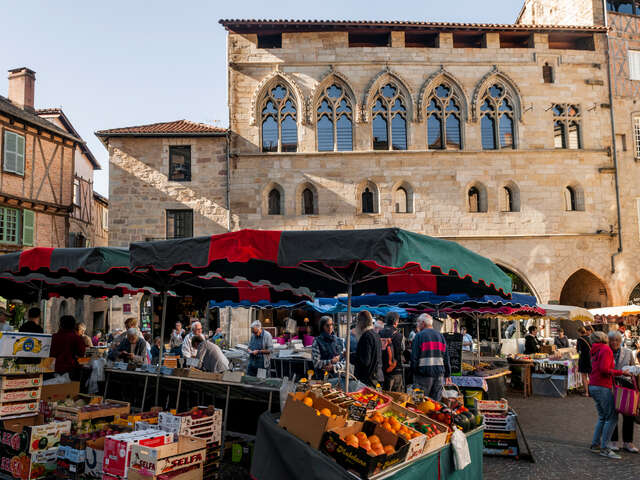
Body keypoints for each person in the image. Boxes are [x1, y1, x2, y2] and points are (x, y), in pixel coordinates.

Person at [588, 330, 629, 459]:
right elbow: (604, 369)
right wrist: (620, 372)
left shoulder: (595, 349)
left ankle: (595, 445)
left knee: (602, 417)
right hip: (602, 386)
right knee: (612, 417)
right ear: (604, 338)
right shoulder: (605, 349)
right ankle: (605, 448)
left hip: (593, 385)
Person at [608, 330, 638, 453]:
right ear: (608, 341)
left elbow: (632, 368)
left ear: (621, 341)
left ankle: (628, 442)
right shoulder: (606, 352)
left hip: (626, 385)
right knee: (613, 414)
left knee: (629, 414)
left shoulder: (628, 352)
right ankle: (613, 440)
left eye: (617, 340)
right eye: (612, 340)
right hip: (611, 385)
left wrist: (632, 371)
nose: (614, 342)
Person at [411, 314, 450, 402]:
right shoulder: (440, 336)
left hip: (423, 376)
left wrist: (414, 372)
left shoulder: (419, 336)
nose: (417, 325)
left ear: (423, 323)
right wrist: (448, 373)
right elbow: (446, 357)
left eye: (418, 323)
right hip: (439, 376)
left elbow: (414, 358)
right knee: (435, 405)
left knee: (420, 403)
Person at [351, 311, 383, 388]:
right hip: (377, 376)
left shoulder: (366, 337)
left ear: (361, 322)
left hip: (367, 380)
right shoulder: (376, 335)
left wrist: (350, 357)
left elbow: (365, 361)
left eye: (358, 322)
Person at [50, 315, 86, 380]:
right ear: (74, 326)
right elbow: (81, 354)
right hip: (71, 370)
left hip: (53, 369)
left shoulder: (54, 337)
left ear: (60, 325)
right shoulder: (77, 339)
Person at [379, 312, 405, 392]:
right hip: (396, 370)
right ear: (396, 322)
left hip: (382, 371)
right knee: (397, 397)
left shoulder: (379, 333)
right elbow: (402, 349)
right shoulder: (399, 335)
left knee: (384, 396)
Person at [577, 326, 592, 397]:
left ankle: (586, 392)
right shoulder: (589, 338)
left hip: (583, 359)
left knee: (584, 376)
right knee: (590, 376)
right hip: (590, 359)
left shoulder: (580, 339)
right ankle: (592, 391)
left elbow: (578, 351)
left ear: (579, 332)